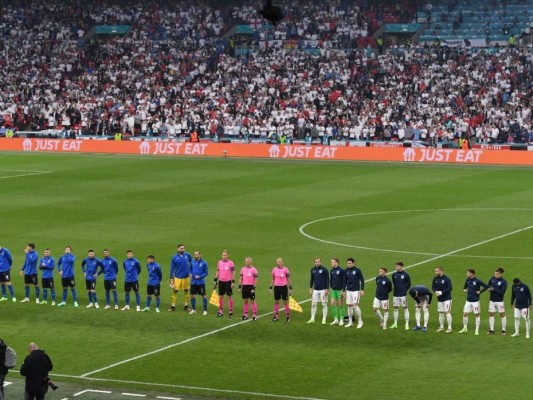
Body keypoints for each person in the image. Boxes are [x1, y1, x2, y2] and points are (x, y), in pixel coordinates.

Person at [459, 269, 488, 335]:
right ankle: (465, 328)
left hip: (475, 301)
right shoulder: (467, 280)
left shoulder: (477, 281)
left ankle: (477, 330)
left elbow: (486, 286)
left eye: (468, 273)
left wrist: (480, 291)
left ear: (472, 274)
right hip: (468, 301)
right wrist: (465, 290)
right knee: (465, 314)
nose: (467, 274)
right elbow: (464, 287)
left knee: (477, 315)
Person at [169, 244, 192, 312]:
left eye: (183, 248)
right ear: (178, 249)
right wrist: (171, 277)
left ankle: (186, 306)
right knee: (175, 291)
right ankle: (173, 306)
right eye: (181, 248)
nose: (183, 249)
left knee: (186, 291)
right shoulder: (174, 257)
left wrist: (190, 272)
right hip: (177, 277)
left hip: (186, 277)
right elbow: (172, 268)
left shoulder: (187, 255)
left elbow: (192, 263)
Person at [343, 257, 365, 328]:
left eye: (349, 263)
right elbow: (344, 281)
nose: (348, 264)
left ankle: (360, 321)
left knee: (355, 306)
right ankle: (350, 322)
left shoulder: (357, 270)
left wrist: (362, 289)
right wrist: (344, 291)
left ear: (353, 263)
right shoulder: (346, 271)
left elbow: (362, 280)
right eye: (347, 263)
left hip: (356, 291)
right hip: (348, 291)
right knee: (349, 306)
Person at [307, 257, 329, 324]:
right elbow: (312, 279)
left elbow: (327, 279)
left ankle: (324, 319)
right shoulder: (312, 269)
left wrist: (327, 289)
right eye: (316, 262)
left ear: (320, 262)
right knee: (313, 304)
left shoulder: (324, 270)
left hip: (323, 290)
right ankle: (312, 318)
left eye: (318, 262)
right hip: (315, 290)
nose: (317, 263)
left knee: (324, 304)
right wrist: (310, 288)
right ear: (314, 263)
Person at [270, 257, 292, 322]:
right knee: (276, 302)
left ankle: (288, 316)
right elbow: (272, 279)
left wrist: (290, 288)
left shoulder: (286, 269)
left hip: (284, 287)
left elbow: (288, 279)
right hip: (276, 287)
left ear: (282, 262)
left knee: (285, 302)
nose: (278, 263)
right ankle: (276, 316)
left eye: (279, 262)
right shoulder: (274, 269)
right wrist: (270, 287)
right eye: (277, 262)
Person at [487, 267, 507, 335]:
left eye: (497, 274)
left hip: (499, 301)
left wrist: (493, 289)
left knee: (502, 314)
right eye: (495, 274)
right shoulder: (492, 279)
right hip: (492, 300)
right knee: (491, 314)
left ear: (500, 274)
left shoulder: (504, 282)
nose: (495, 275)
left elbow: (502, 292)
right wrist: (489, 289)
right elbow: (488, 286)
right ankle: (491, 330)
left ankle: (503, 330)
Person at [214, 249, 235, 317]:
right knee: (220, 296)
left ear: (228, 255)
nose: (224, 256)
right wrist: (215, 280)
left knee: (229, 296)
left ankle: (230, 311)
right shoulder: (219, 262)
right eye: (223, 255)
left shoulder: (230, 263)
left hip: (228, 282)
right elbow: (218, 271)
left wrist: (233, 282)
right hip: (221, 281)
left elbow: (233, 272)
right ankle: (220, 311)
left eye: (225, 255)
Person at [390, 261, 411, 330]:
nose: (396, 267)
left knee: (405, 308)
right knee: (395, 308)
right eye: (396, 266)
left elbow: (409, 284)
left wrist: (404, 290)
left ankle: (407, 323)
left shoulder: (406, 275)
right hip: (395, 294)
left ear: (402, 266)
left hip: (403, 295)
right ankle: (395, 323)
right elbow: (394, 283)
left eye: (398, 266)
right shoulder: (394, 274)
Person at [432, 266, 452, 333]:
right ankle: (441, 327)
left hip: (447, 299)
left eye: (436, 271)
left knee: (447, 312)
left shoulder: (447, 279)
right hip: (439, 299)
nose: (435, 272)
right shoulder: (435, 279)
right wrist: (435, 291)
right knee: (440, 313)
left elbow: (450, 288)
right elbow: (433, 287)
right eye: (435, 271)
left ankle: (449, 328)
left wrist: (441, 292)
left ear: (441, 271)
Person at [239, 256, 258, 321]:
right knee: (245, 301)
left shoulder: (254, 270)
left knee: (252, 301)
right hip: (244, 286)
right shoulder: (242, 269)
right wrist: (239, 287)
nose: (246, 262)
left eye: (247, 261)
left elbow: (256, 280)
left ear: (250, 261)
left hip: (251, 287)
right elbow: (241, 278)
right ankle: (245, 315)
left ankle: (254, 315)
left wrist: (254, 288)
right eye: (245, 261)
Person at [189, 250, 208, 315]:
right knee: (192, 296)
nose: (196, 256)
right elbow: (190, 269)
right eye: (195, 254)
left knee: (203, 296)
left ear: (200, 255)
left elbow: (206, 273)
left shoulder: (204, 263)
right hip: (193, 282)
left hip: (201, 282)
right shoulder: (192, 262)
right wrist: (190, 274)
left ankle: (205, 310)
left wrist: (200, 276)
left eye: (197, 254)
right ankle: (193, 309)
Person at [329, 258, 345, 326]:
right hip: (333, 290)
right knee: (332, 303)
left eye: (332, 262)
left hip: (340, 290)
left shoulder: (341, 270)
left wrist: (343, 290)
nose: (331, 263)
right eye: (331, 262)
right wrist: (330, 287)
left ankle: (341, 319)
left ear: (337, 262)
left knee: (340, 304)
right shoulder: (331, 270)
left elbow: (344, 281)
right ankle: (336, 319)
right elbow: (331, 280)